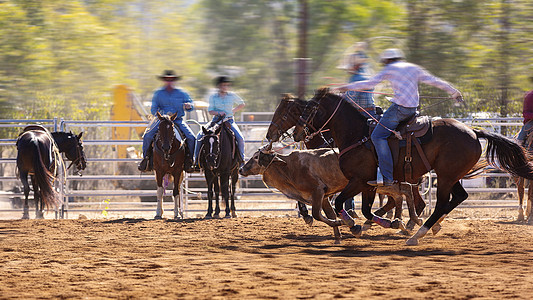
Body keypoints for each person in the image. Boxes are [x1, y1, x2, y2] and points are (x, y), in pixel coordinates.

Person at [333, 48, 463, 192]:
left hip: (399, 110)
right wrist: (453, 91)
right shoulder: (413, 68)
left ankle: (386, 176)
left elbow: (369, 83)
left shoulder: (390, 69)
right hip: (412, 109)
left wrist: (346, 87)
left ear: (388, 61)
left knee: (377, 135)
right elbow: (434, 81)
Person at [138, 70, 196, 172]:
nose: (169, 82)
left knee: (191, 137)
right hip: (162, 121)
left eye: (171, 80)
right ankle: (146, 159)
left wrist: (189, 105)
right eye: (167, 80)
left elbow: (191, 104)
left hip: (177, 119)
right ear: (164, 81)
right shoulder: (158, 93)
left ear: (174, 81)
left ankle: (190, 161)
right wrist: (161, 115)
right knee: (147, 136)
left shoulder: (182, 93)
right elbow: (153, 108)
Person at [194, 76, 246, 168]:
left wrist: (233, 111)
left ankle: (241, 160)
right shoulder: (213, 97)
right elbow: (210, 111)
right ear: (218, 86)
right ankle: (196, 160)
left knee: (240, 138)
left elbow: (242, 103)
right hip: (216, 120)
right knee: (199, 136)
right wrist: (219, 112)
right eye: (222, 85)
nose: (224, 87)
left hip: (228, 120)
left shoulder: (232, 95)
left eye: (226, 85)